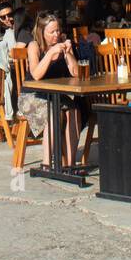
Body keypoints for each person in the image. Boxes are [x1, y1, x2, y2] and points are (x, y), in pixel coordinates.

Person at [22, 12, 82, 167]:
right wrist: (50, 54)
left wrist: (68, 54)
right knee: (53, 112)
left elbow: (76, 73)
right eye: (52, 32)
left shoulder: (62, 45)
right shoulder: (34, 46)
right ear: (42, 32)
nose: (56, 34)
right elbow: (36, 74)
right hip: (32, 97)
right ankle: (47, 163)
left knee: (73, 109)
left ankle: (70, 164)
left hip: (56, 95)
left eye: (58, 30)